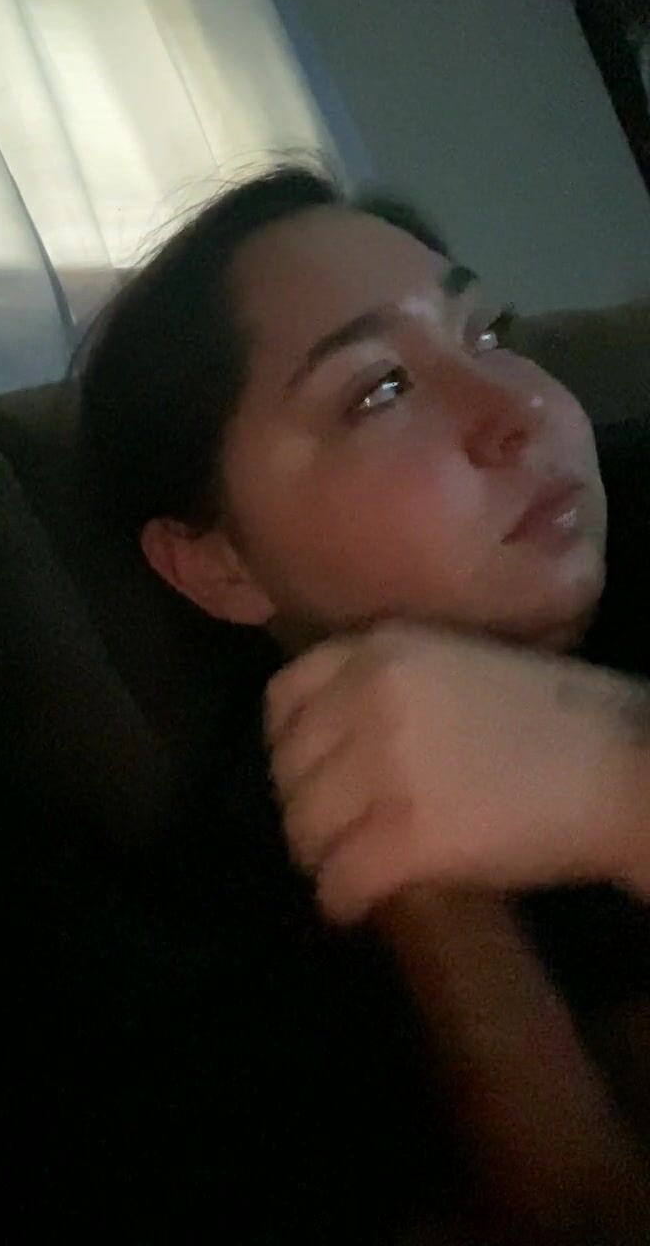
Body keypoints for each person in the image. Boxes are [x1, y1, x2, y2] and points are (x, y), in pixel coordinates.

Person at [80, 165, 650, 1242]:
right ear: (216, 566)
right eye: (379, 389)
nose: (524, 408)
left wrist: (618, 779)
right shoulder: (227, 961)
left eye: (490, 332)